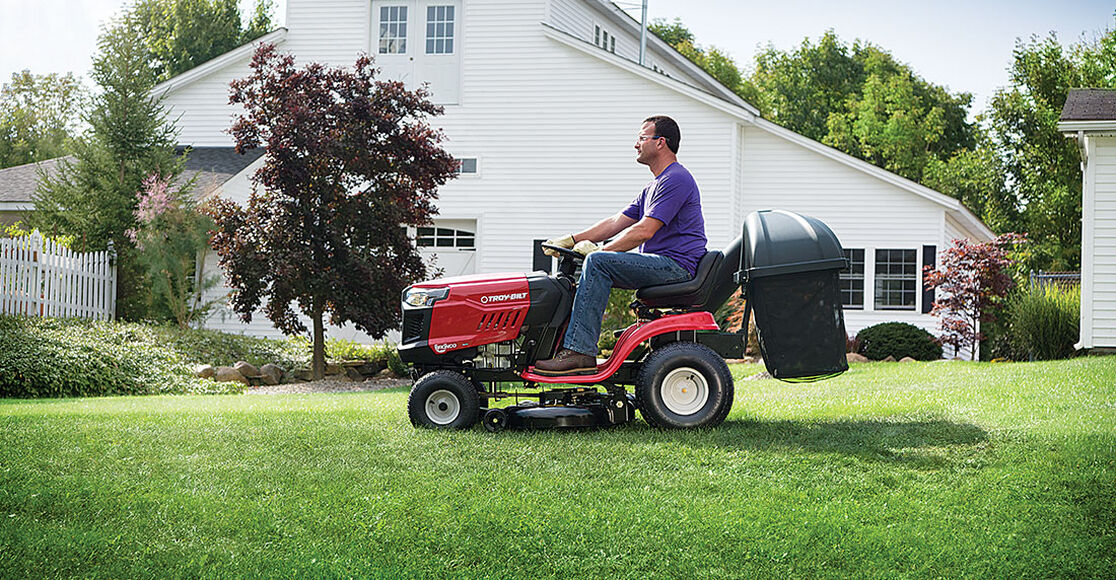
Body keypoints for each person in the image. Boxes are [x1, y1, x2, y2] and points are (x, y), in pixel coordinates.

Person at [534, 115, 707, 375]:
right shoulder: (654, 186)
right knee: (595, 261)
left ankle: (579, 351)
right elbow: (616, 221)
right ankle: (566, 347)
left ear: (660, 143)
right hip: (661, 263)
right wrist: (574, 239)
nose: (636, 144)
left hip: (676, 266)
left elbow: (644, 231)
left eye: (641, 138)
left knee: (598, 263)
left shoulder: (676, 179)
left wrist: (600, 252)